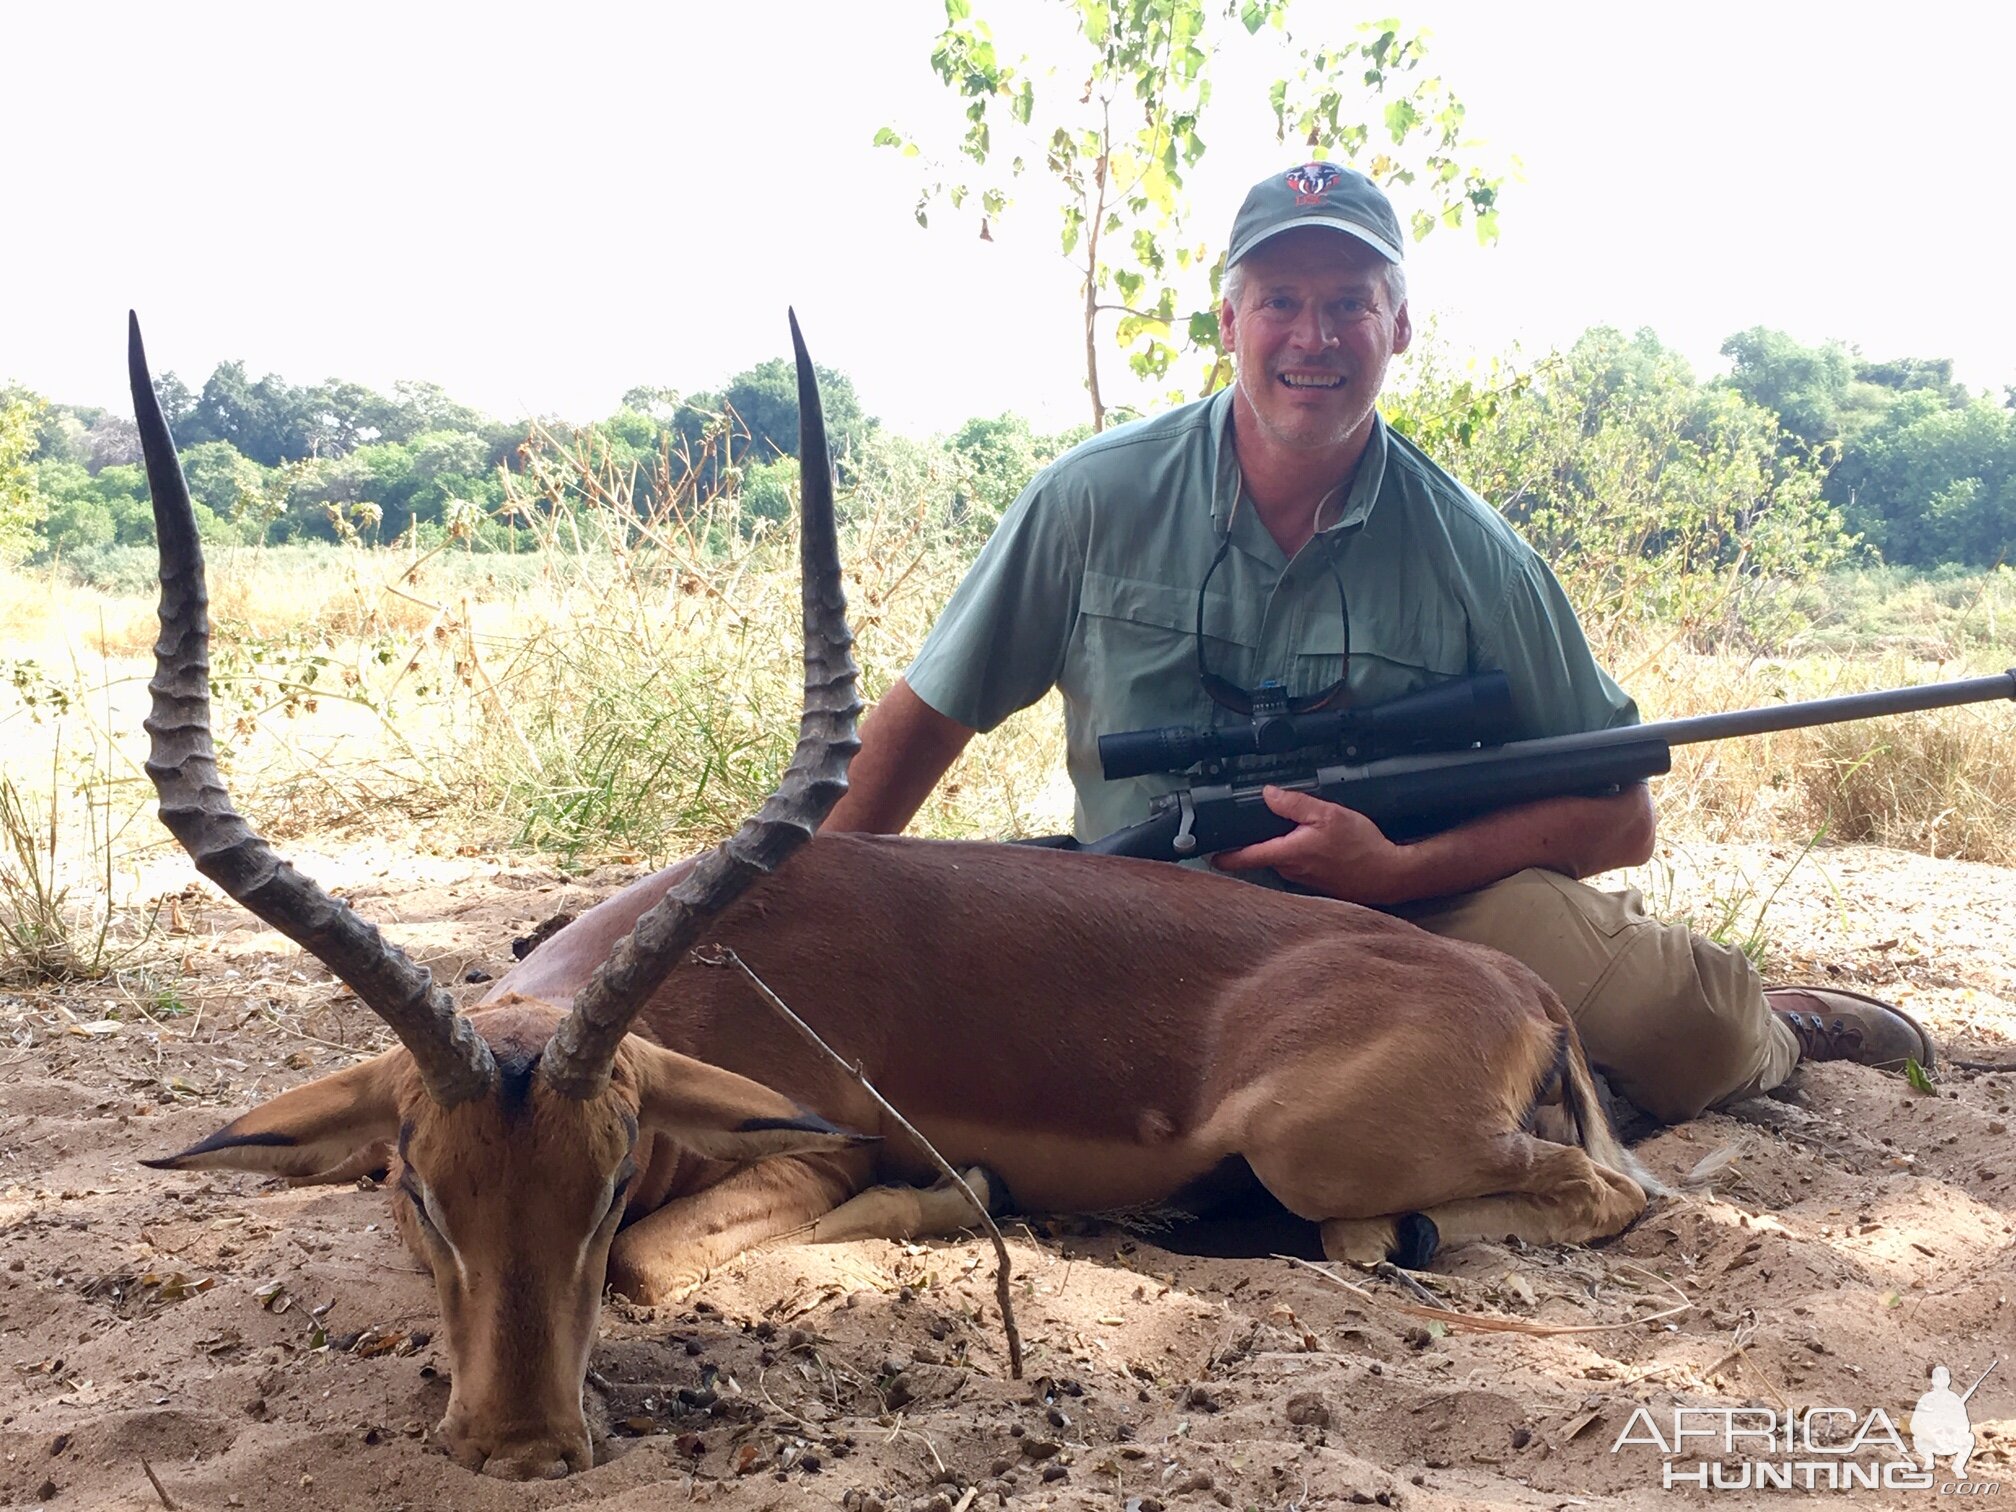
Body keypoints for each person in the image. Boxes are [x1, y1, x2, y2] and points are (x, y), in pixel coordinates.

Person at [821, 160, 1936, 1124]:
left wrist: (1398, 864)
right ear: (1229, 322)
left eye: (1349, 303)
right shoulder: (1090, 498)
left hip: (1409, 905)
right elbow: (926, 717)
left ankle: (1780, 1025)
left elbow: (1621, 815)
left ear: (1398, 326)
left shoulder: (1475, 553)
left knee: (1681, 1027)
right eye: (1281, 301)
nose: (1314, 336)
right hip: (1143, 906)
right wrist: (802, 899)